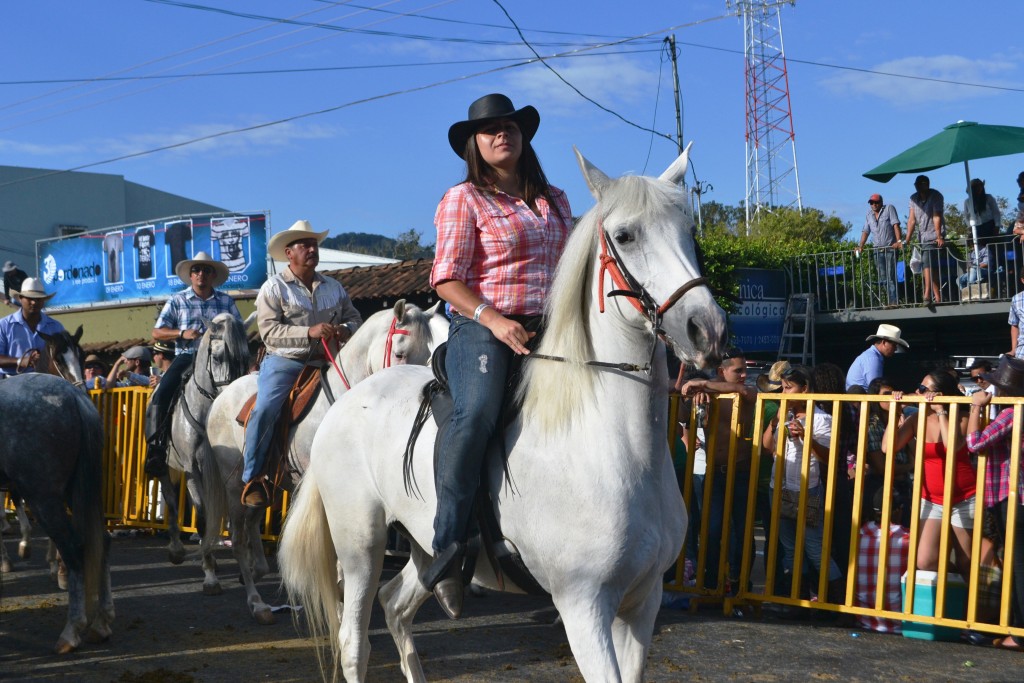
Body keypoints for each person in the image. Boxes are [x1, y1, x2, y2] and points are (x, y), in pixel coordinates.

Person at [423, 93, 573, 619]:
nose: (499, 135)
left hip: (550, 328)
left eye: (508, 126)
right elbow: (446, 279)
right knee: (479, 412)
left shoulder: (555, 199)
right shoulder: (464, 199)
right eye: (488, 131)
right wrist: (494, 319)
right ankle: (449, 539)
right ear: (475, 144)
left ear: (523, 134)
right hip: (484, 324)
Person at [240, 219, 362, 508]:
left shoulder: (334, 286)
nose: (311, 249)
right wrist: (309, 332)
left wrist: (345, 329)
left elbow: (355, 319)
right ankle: (254, 477)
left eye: (314, 244)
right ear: (288, 252)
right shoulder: (273, 288)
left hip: (328, 361)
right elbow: (269, 332)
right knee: (266, 407)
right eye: (304, 245)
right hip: (286, 362)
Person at [144, 252, 241, 478]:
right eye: (197, 270)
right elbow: (156, 332)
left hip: (222, 359)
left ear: (213, 275)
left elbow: (238, 331)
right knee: (161, 394)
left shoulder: (226, 301)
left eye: (206, 270)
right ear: (190, 275)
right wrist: (181, 333)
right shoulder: (177, 300)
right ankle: (156, 449)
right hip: (188, 357)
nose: (201, 274)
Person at [761, 364, 844, 604]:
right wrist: (775, 422)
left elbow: (828, 456)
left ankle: (835, 603)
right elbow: (768, 448)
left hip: (808, 489)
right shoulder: (784, 414)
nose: (783, 393)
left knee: (814, 548)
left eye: (789, 388)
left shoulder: (821, 418)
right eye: (783, 388)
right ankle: (797, 602)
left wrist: (806, 436)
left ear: (805, 389)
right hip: (779, 487)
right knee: (789, 548)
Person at [679, 347, 757, 593]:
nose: (744, 375)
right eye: (738, 370)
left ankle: (739, 583)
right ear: (722, 371)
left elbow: (745, 391)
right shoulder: (710, 393)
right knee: (711, 531)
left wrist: (701, 383)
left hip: (742, 471)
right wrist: (695, 392)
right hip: (715, 471)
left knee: (742, 532)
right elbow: (683, 414)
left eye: (745, 370)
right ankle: (710, 583)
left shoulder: (740, 391)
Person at [886, 371, 975, 579]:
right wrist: (895, 410)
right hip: (932, 499)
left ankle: (972, 607)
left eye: (923, 389)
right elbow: (888, 448)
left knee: (966, 560)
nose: (917, 392)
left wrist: (941, 412)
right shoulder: (917, 418)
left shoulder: (963, 417)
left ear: (939, 394)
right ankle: (955, 586)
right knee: (925, 561)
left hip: (964, 497)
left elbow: (952, 447)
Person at [966, 355, 1024, 651]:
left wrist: (976, 406)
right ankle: (1016, 628)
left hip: (1012, 495)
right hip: (1014, 495)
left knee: (1018, 563)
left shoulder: (1013, 413)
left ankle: (1020, 632)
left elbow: (975, 443)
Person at [854, 487, 910, 634]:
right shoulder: (908, 539)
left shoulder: (858, 536)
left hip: (865, 620)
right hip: (901, 622)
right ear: (898, 511)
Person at [0, 277, 66, 377]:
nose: (34, 302)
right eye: (30, 298)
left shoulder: (56, 327)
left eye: (38, 299)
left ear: (43, 301)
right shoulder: (4, 325)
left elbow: (65, 357)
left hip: (47, 382)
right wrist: (20, 361)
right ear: (20, 299)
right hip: (12, 383)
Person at [904, 175, 946, 307]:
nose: (917, 186)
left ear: (926, 184)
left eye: (920, 184)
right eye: (916, 184)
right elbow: (911, 220)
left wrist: (939, 236)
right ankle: (938, 297)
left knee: (926, 262)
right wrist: (907, 239)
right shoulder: (913, 198)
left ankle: (927, 294)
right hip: (922, 236)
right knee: (928, 267)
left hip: (933, 234)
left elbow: (936, 216)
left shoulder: (936, 196)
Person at [856, 193, 903, 307]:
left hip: (890, 248)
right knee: (883, 277)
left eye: (876, 202)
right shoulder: (868, 215)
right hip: (877, 250)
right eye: (871, 203)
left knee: (890, 276)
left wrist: (899, 241)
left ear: (881, 202)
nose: (874, 205)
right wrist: (860, 245)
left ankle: (894, 301)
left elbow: (896, 225)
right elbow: (865, 231)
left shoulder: (889, 208)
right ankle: (890, 300)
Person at [845, 323, 908, 391]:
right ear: (884, 342)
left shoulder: (871, 356)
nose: (895, 349)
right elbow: (876, 389)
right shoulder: (873, 358)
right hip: (862, 400)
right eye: (894, 345)